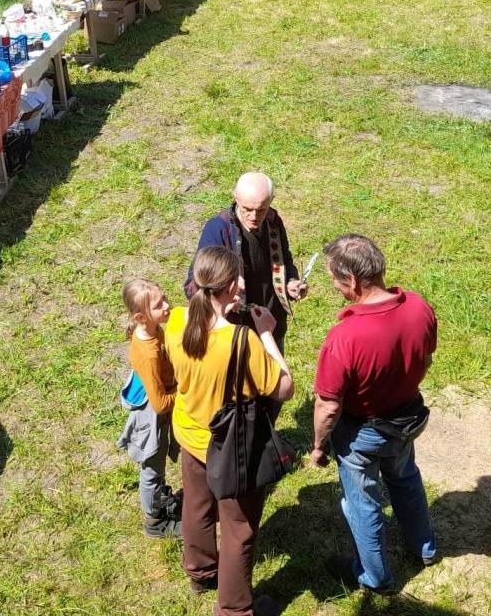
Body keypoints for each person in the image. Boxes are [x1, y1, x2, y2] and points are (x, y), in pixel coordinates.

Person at [164, 246, 293, 616]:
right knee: (239, 529)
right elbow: (284, 388)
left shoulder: (175, 321)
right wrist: (266, 333)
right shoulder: (241, 341)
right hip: (231, 447)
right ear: (230, 285)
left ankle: (201, 570)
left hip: (190, 434)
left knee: (197, 504)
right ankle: (235, 609)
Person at [310, 234, 438, 595]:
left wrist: (319, 447)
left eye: (335, 280)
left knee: (362, 503)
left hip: (362, 434)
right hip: (407, 420)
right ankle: (424, 547)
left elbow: (328, 405)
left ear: (351, 280)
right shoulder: (418, 307)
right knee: (405, 479)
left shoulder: (344, 337)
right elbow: (426, 357)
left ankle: (375, 577)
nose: (334, 287)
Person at [185, 172, 306, 352]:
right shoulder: (218, 229)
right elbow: (192, 286)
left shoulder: (273, 221)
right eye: (247, 209)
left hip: (270, 324)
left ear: (271, 200)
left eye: (261, 209)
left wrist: (291, 282)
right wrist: (225, 284)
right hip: (235, 330)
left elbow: (284, 259)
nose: (254, 216)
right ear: (235, 198)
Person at [117, 278, 183, 539]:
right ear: (141, 317)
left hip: (159, 399)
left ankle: (159, 499)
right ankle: (155, 521)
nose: (167, 305)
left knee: (157, 468)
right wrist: (186, 391)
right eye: (159, 305)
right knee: (152, 468)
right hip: (151, 416)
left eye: (164, 297)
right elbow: (160, 403)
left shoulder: (152, 329)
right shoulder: (149, 353)